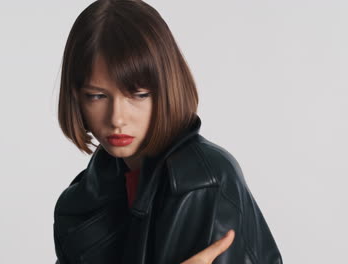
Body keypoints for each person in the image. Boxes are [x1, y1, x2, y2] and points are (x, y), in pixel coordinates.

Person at [53, 0, 283, 263]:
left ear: (166, 89)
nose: (117, 118)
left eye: (138, 95)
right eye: (96, 96)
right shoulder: (83, 198)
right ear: (76, 99)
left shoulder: (199, 182)